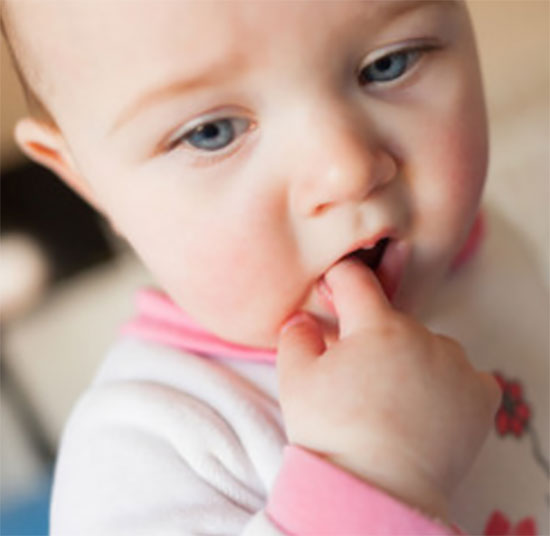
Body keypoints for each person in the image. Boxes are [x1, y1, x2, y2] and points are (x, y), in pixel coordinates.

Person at [2, 1, 548, 534]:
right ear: (87, 183)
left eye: (389, 63)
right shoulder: (144, 455)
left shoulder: (479, 247)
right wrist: (374, 479)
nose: (346, 171)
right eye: (212, 131)